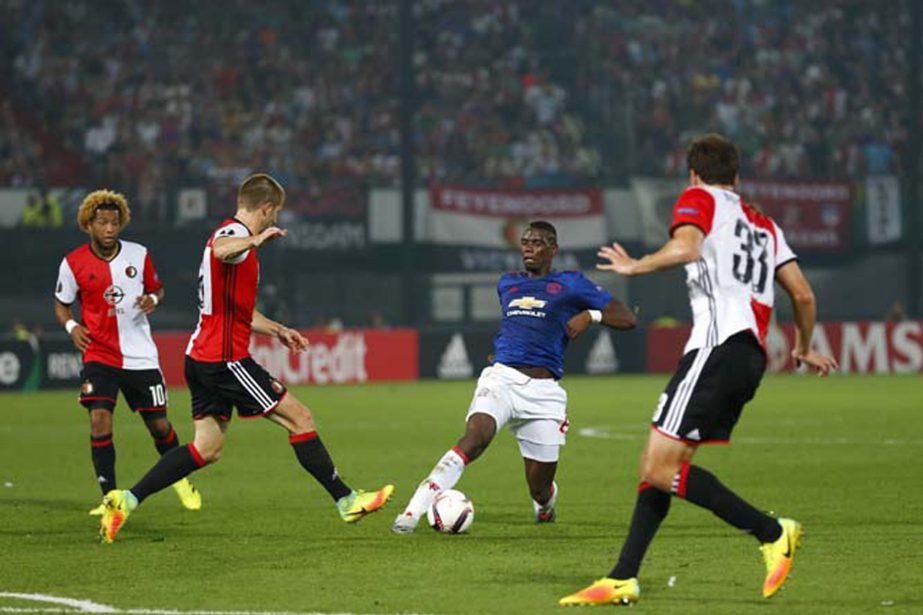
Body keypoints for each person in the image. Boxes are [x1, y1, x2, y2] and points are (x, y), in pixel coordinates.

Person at [560, 134, 838, 606]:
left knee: (656, 465)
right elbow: (804, 295)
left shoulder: (698, 198)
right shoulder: (766, 226)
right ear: (737, 176)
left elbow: (687, 249)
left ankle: (773, 532)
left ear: (694, 174)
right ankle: (623, 576)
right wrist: (804, 347)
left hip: (717, 347)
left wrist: (636, 267)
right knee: (662, 465)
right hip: (749, 355)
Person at [98, 173, 394, 543]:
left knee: (206, 449)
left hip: (201, 356)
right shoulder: (230, 236)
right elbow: (223, 249)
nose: (274, 221)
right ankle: (347, 500)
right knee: (300, 418)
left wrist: (279, 330)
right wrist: (255, 238)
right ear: (266, 208)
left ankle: (124, 500)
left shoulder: (235, 243)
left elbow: (243, 313)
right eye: (275, 214)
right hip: (225, 360)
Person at [391, 220, 637, 533]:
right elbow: (518, 326)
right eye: (525, 242)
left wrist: (591, 315)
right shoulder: (508, 283)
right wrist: (504, 355)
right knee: (475, 438)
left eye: (537, 242)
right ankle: (412, 513)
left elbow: (628, 318)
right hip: (501, 380)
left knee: (539, 486)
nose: (529, 248)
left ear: (553, 249)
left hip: (544, 393)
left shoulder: (572, 283)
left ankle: (545, 505)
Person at [54, 189, 201, 515]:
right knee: (100, 420)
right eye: (103, 222)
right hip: (99, 355)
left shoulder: (139, 254)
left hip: (140, 356)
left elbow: (157, 288)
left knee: (159, 426)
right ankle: (110, 499)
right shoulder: (72, 262)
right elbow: (62, 305)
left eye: (114, 223)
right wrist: (72, 327)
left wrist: (155, 300)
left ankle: (179, 477)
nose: (109, 228)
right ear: (88, 224)